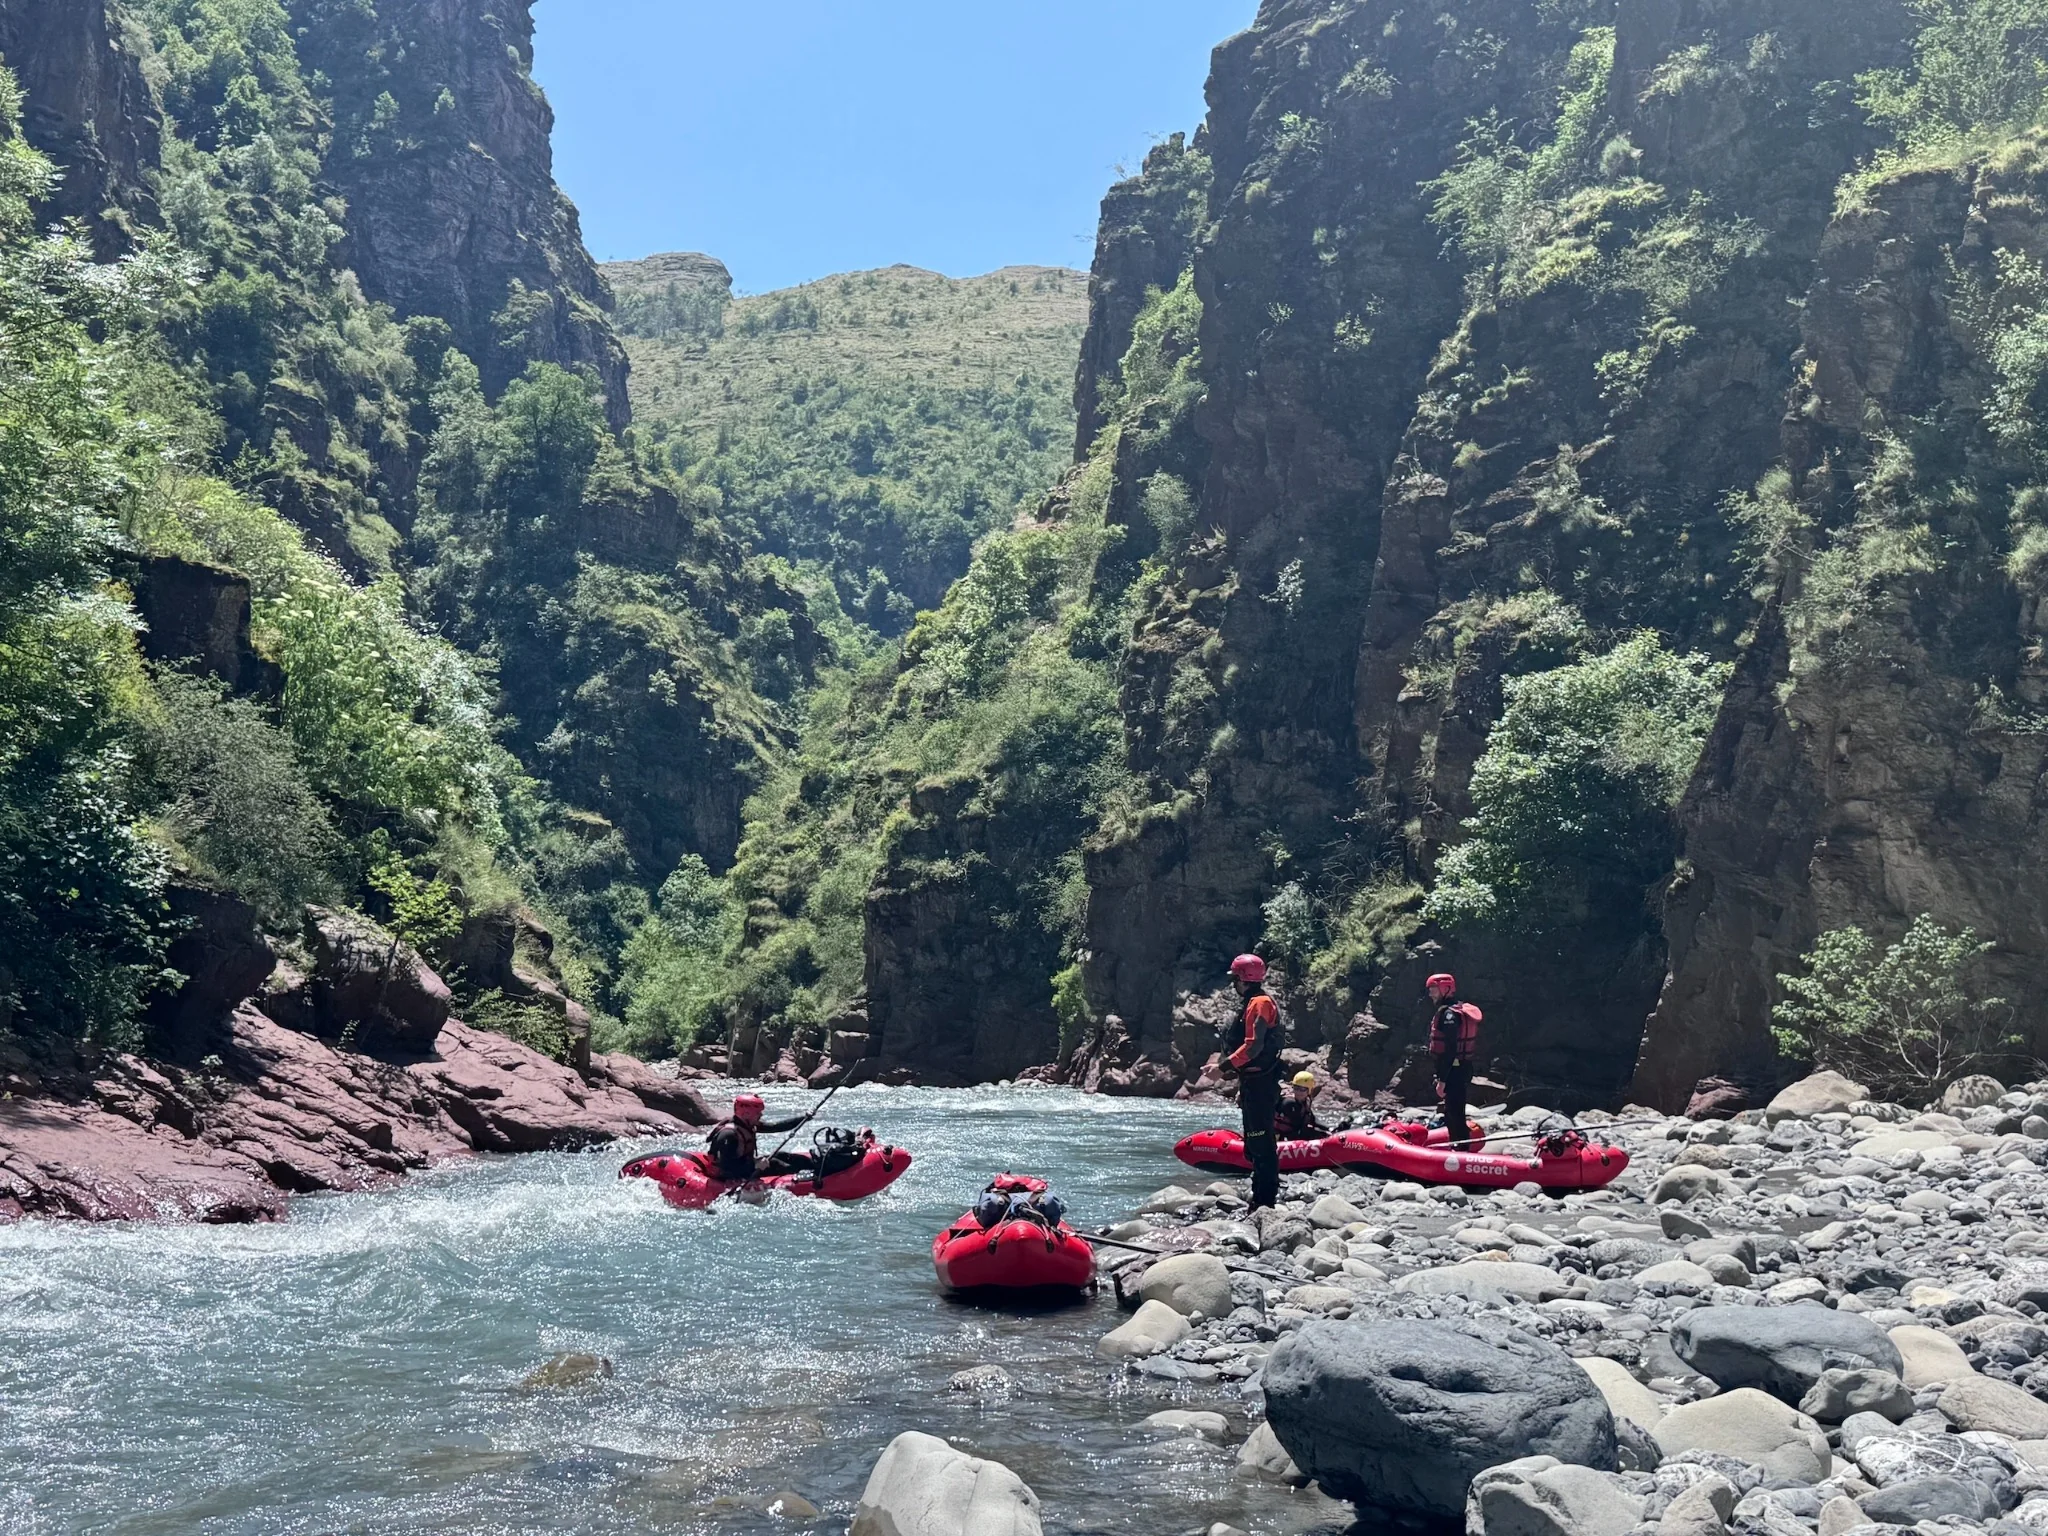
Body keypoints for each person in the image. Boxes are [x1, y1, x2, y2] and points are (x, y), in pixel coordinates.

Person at [1221, 953, 1284, 1211]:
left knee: (1260, 1138)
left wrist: (1222, 1067)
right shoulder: (1253, 1002)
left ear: (1242, 979)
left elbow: (1254, 1046)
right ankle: (1260, 1192)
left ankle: (1264, 1199)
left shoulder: (1259, 1003)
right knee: (1256, 1138)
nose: (1233, 984)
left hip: (1261, 1085)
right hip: (1255, 1083)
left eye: (1234, 979)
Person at [1426, 972, 1482, 1148]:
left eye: (1433, 990)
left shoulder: (1449, 1015)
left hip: (1454, 1070)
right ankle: (1458, 1147)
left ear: (1445, 989)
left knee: (1454, 1113)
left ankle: (1461, 1152)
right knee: (1453, 1111)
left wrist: (1442, 1080)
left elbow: (1450, 1051)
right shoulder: (1456, 1009)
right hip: (1462, 1068)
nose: (1431, 994)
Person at [705, 1093, 813, 1181]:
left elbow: (775, 1127)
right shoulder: (728, 1135)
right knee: (776, 1164)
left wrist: (803, 1118)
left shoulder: (747, 1124)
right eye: (758, 1113)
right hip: (730, 1174)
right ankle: (814, 1179)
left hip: (743, 1164)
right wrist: (755, 1165)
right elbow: (728, 1168)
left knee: (782, 1156)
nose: (761, 1115)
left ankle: (816, 1166)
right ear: (746, 1114)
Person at [1275, 1069, 1326, 1141]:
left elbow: (1313, 1121)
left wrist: (1329, 1130)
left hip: (1292, 1135)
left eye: (1302, 1089)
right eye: (1296, 1088)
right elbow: (1299, 1128)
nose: (1298, 1092)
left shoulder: (1306, 1101)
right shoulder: (1289, 1103)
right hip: (1281, 1138)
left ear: (1309, 1090)